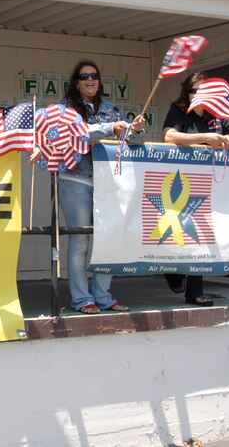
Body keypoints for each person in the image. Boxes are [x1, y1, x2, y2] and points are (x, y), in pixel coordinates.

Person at [57, 61, 146, 314]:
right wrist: (111, 127)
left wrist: (136, 130)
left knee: (108, 240)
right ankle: (82, 299)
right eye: (84, 76)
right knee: (80, 242)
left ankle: (104, 297)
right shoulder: (64, 110)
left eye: (94, 75)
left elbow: (134, 140)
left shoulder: (111, 109)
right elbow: (78, 133)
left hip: (108, 183)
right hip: (76, 178)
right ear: (76, 81)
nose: (90, 79)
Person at [162, 71, 229, 307]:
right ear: (187, 92)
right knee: (177, 233)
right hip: (179, 182)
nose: (199, 94)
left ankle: (194, 291)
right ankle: (173, 272)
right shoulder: (178, 110)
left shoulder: (216, 114)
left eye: (203, 90)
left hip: (209, 183)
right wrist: (206, 138)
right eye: (194, 90)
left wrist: (228, 140)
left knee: (201, 235)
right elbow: (169, 136)